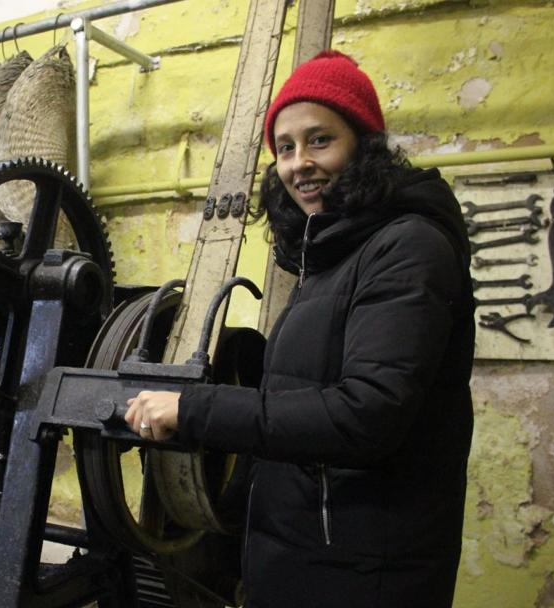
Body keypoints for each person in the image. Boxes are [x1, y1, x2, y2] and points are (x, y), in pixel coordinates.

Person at [124, 50, 474, 608]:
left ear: (364, 147)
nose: (298, 163)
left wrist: (195, 409)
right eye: (284, 148)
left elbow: (367, 415)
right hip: (306, 551)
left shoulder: (407, 247)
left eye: (319, 140)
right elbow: (303, 387)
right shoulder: (331, 253)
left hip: (363, 568)